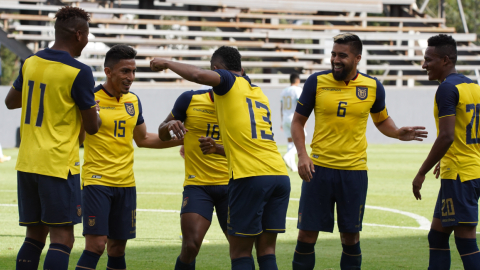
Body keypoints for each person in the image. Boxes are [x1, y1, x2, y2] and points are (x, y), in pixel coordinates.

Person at [291, 33, 428, 270]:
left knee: (351, 238)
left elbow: (381, 120)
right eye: (333, 54)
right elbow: (297, 122)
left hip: (354, 173)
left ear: (357, 59)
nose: (335, 59)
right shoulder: (316, 82)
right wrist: (303, 155)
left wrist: (396, 132)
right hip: (318, 170)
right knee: (306, 236)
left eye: (342, 55)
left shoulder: (373, 86)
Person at [151, 46, 290, 270]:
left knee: (241, 253)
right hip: (273, 175)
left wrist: (167, 63)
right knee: (263, 252)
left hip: (243, 179)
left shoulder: (228, 82)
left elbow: (197, 75)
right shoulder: (257, 94)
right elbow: (252, 143)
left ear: (216, 71)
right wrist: (214, 147)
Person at [4, 6, 101, 270]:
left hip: (27, 162)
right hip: (57, 164)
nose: (88, 40)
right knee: (62, 238)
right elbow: (92, 127)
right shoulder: (79, 72)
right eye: (88, 35)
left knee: (34, 235)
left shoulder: (31, 62)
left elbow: (10, 101)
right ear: (79, 35)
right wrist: (96, 112)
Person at [74, 44, 181, 270]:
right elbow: (78, 139)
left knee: (118, 249)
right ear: (108, 72)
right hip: (97, 182)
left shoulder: (133, 101)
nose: (130, 77)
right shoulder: (91, 99)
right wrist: (90, 117)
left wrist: (183, 140)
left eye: (133, 71)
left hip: (126, 184)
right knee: (96, 245)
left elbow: (143, 139)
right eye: (124, 71)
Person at [412, 34, 480, 270]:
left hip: (461, 175)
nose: (424, 65)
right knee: (437, 236)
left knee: (465, 239)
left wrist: (422, 172)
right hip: (467, 169)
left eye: (428, 59)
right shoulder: (472, 85)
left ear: (445, 60)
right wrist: (446, 157)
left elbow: (447, 136)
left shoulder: (446, 89)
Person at [158, 86, 230, 270]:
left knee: (240, 248)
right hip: (197, 185)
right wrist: (169, 127)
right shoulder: (190, 99)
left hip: (232, 184)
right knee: (190, 246)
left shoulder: (241, 101)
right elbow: (162, 133)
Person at [280, 73, 303, 172]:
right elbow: (299, 104)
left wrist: (282, 120)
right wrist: (302, 119)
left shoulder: (284, 91)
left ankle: (293, 166)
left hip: (285, 118)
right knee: (302, 140)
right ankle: (288, 155)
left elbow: (281, 107)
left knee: (290, 141)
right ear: (297, 80)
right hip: (295, 119)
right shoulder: (298, 90)